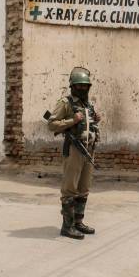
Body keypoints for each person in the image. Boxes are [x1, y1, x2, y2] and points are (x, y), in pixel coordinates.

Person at [47, 67, 100, 240]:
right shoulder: (65, 103)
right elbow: (52, 124)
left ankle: (78, 222)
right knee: (70, 189)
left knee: (84, 188)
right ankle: (67, 226)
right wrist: (73, 120)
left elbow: (89, 125)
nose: (83, 89)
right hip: (74, 150)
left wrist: (95, 118)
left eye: (86, 86)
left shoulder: (88, 104)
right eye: (80, 86)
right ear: (72, 86)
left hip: (89, 151)